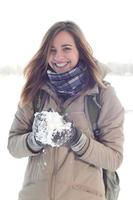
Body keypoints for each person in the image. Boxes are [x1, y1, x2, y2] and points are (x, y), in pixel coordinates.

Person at [7, 21, 124, 200]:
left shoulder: (102, 95)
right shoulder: (35, 92)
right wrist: (35, 139)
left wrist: (77, 139)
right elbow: (13, 146)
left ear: (80, 51)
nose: (58, 57)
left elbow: (114, 158)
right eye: (52, 50)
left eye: (66, 48)